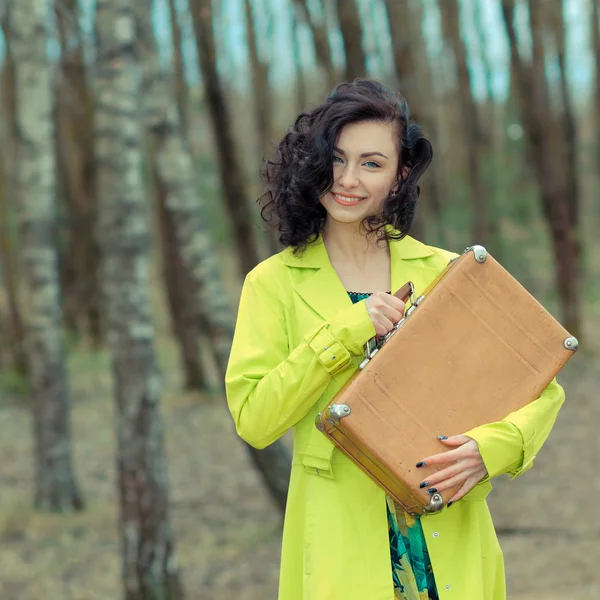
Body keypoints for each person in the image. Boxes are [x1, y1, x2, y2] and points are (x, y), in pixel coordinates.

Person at [224, 79, 565, 600]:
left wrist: (491, 449)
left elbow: (538, 383)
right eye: (336, 160)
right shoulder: (272, 284)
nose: (348, 180)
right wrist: (344, 332)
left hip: (448, 530)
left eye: (372, 163)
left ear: (401, 173)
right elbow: (255, 419)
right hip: (340, 544)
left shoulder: (445, 272)